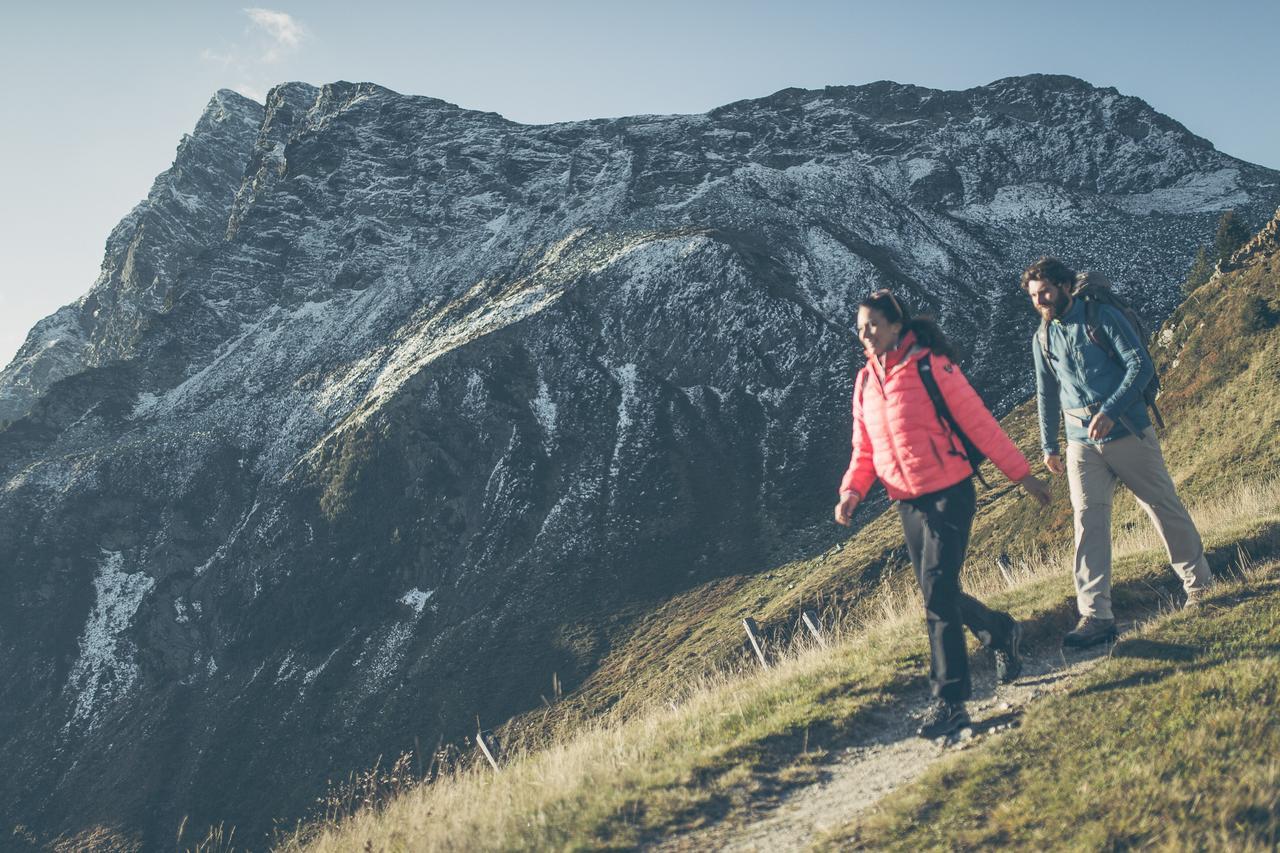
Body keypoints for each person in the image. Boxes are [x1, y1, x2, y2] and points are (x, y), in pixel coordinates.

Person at [834, 290, 1052, 739]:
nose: (865, 333)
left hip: (950, 492)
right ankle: (999, 631)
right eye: (860, 327)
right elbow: (865, 449)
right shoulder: (865, 382)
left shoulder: (933, 367)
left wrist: (1023, 476)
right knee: (941, 592)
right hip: (907, 502)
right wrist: (852, 492)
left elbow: (981, 424)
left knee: (936, 594)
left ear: (897, 326)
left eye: (873, 324)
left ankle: (950, 701)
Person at [1022, 256, 1212, 648]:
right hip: (1080, 443)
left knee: (1161, 507)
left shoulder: (1102, 318)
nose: (1040, 301)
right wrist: (1049, 446)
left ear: (1062, 286)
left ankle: (1200, 587)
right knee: (1088, 524)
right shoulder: (1042, 337)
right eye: (1034, 297)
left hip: (1126, 431)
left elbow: (1139, 364)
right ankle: (1096, 616)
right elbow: (1046, 393)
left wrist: (1110, 411)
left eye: (1045, 293)